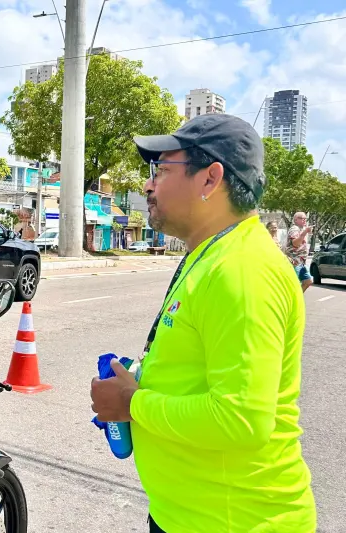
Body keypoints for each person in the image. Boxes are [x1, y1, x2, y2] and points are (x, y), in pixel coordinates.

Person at [89, 114, 315, 533]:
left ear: (210, 179)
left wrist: (132, 403)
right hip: (189, 515)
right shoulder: (214, 255)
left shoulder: (243, 270)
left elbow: (241, 419)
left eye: (160, 169)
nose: (148, 185)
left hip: (236, 521)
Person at [285, 212, 314, 292]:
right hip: (294, 261)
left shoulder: (301, 229)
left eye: (305, 218)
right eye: (302, 218)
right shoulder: (294, 229)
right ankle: (291, 301)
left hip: (301, 262)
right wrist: (305, 232)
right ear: (296, 220)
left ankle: (297, 299)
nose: (304, 220)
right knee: (293, 284)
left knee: (308, 281)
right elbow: (295, 244)